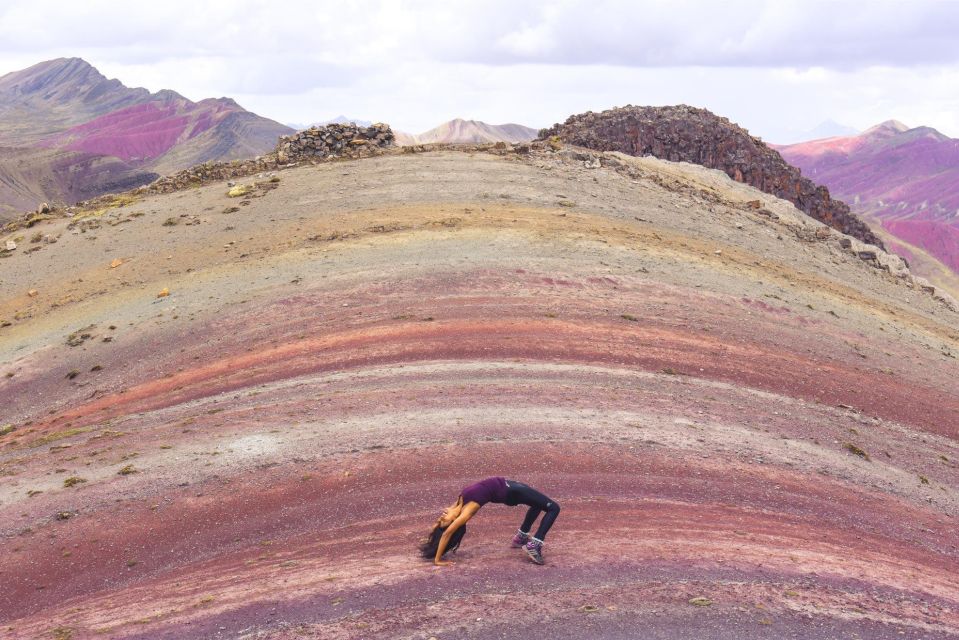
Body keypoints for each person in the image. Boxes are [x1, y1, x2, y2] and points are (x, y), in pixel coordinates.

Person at [420, 477, 560, 566]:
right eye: (445, 519)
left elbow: (438, 527)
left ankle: (521, 538)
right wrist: (438, 560)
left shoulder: (457, 504)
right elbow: (447, 534)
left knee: (538, 504)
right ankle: (534, 545)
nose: (442, 515)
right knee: (554, 508)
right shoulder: (467, 511)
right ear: (454, 521)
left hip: (508, 485)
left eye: (441, 517)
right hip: (511, 492)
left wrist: (431, 536)